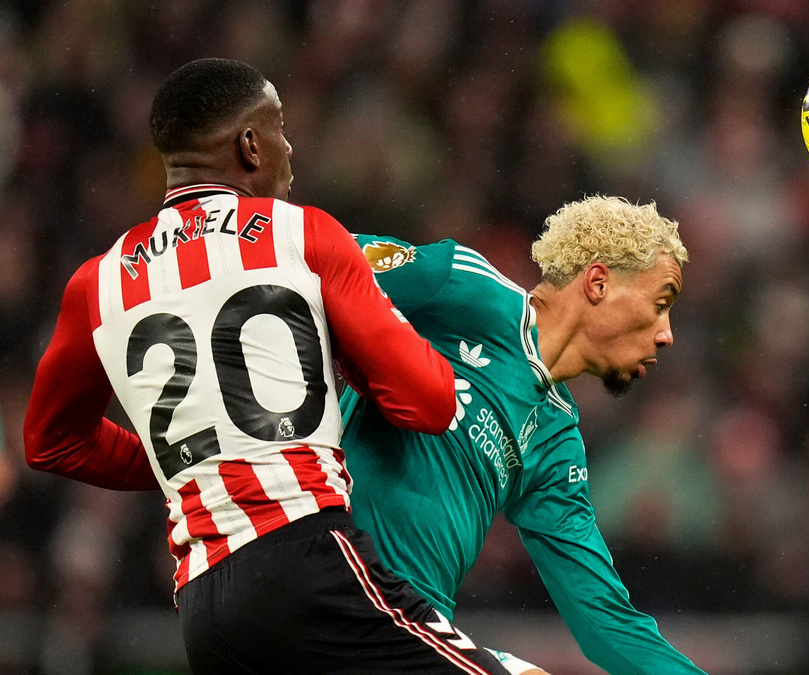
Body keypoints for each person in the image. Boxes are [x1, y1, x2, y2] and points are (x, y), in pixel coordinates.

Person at [22, 58, 511, 675]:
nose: (290, 146)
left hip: (201, 605)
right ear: (250, 145)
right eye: (280, 127)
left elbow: (50, 443)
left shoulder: (97, 282)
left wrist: (206, 461)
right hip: (306, 561)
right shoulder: (303, 235)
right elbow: (432, 401)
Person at [339, 196, 708, 674]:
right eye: (660, 305)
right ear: (598, 282)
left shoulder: (557, 442)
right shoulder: (467, 288)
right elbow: (315, 259)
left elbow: (605, 621)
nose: (667, 334)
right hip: (333, 572)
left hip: (412, 626)